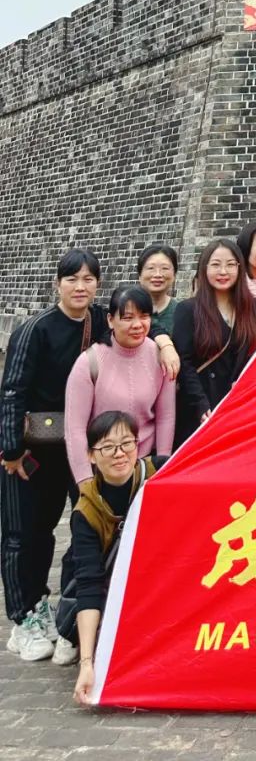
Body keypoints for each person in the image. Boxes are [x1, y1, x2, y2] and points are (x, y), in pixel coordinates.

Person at [1, 249, 177, 663]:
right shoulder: (35, 329)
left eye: (88, 279)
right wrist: (10, 449)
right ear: (57, 284)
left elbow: (141, 321)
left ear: (97, 285)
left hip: (82, 449)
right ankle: (24, 617)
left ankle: (62, 612)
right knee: (26, 533)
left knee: (82, 533)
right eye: (71, 279)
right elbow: (12, 390)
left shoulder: (98, 319)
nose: (80, 287)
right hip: (34, 449)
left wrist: (166, 343)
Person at [57, 411, 159, 699]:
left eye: (127, 443)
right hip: (108, 586)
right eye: (107, 447)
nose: (119, 454)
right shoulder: (86, 511)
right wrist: (87, 664)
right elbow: (89, 584)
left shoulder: (160, 472)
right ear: (91, 455)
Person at [64, 285, 175, 485]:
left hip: (144, 468)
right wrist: (85, 482)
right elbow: (74, 429)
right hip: (101, 469)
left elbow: (165, 417)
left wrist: (161, 467)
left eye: (144, 316)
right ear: (110, 320)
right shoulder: (90, 362)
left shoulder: (162, 358)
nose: (137, 325)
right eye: (127, 318)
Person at [172, 239, 256, 446]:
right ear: (204, 268)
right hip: (199, 409)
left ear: (240, 268)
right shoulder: (188, 309)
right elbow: (184, 363)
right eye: (215, 264)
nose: (223, 271)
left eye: (230, 264)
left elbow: (255, 355)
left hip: (235, 407)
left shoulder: (253, 309)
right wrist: (200, 404)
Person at [135, 244, 180, 335]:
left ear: (174, 275)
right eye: (151, 268)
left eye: (165, 268)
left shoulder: (181, 312)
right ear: (140, 275)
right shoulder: (126, 309)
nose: (158, 274)